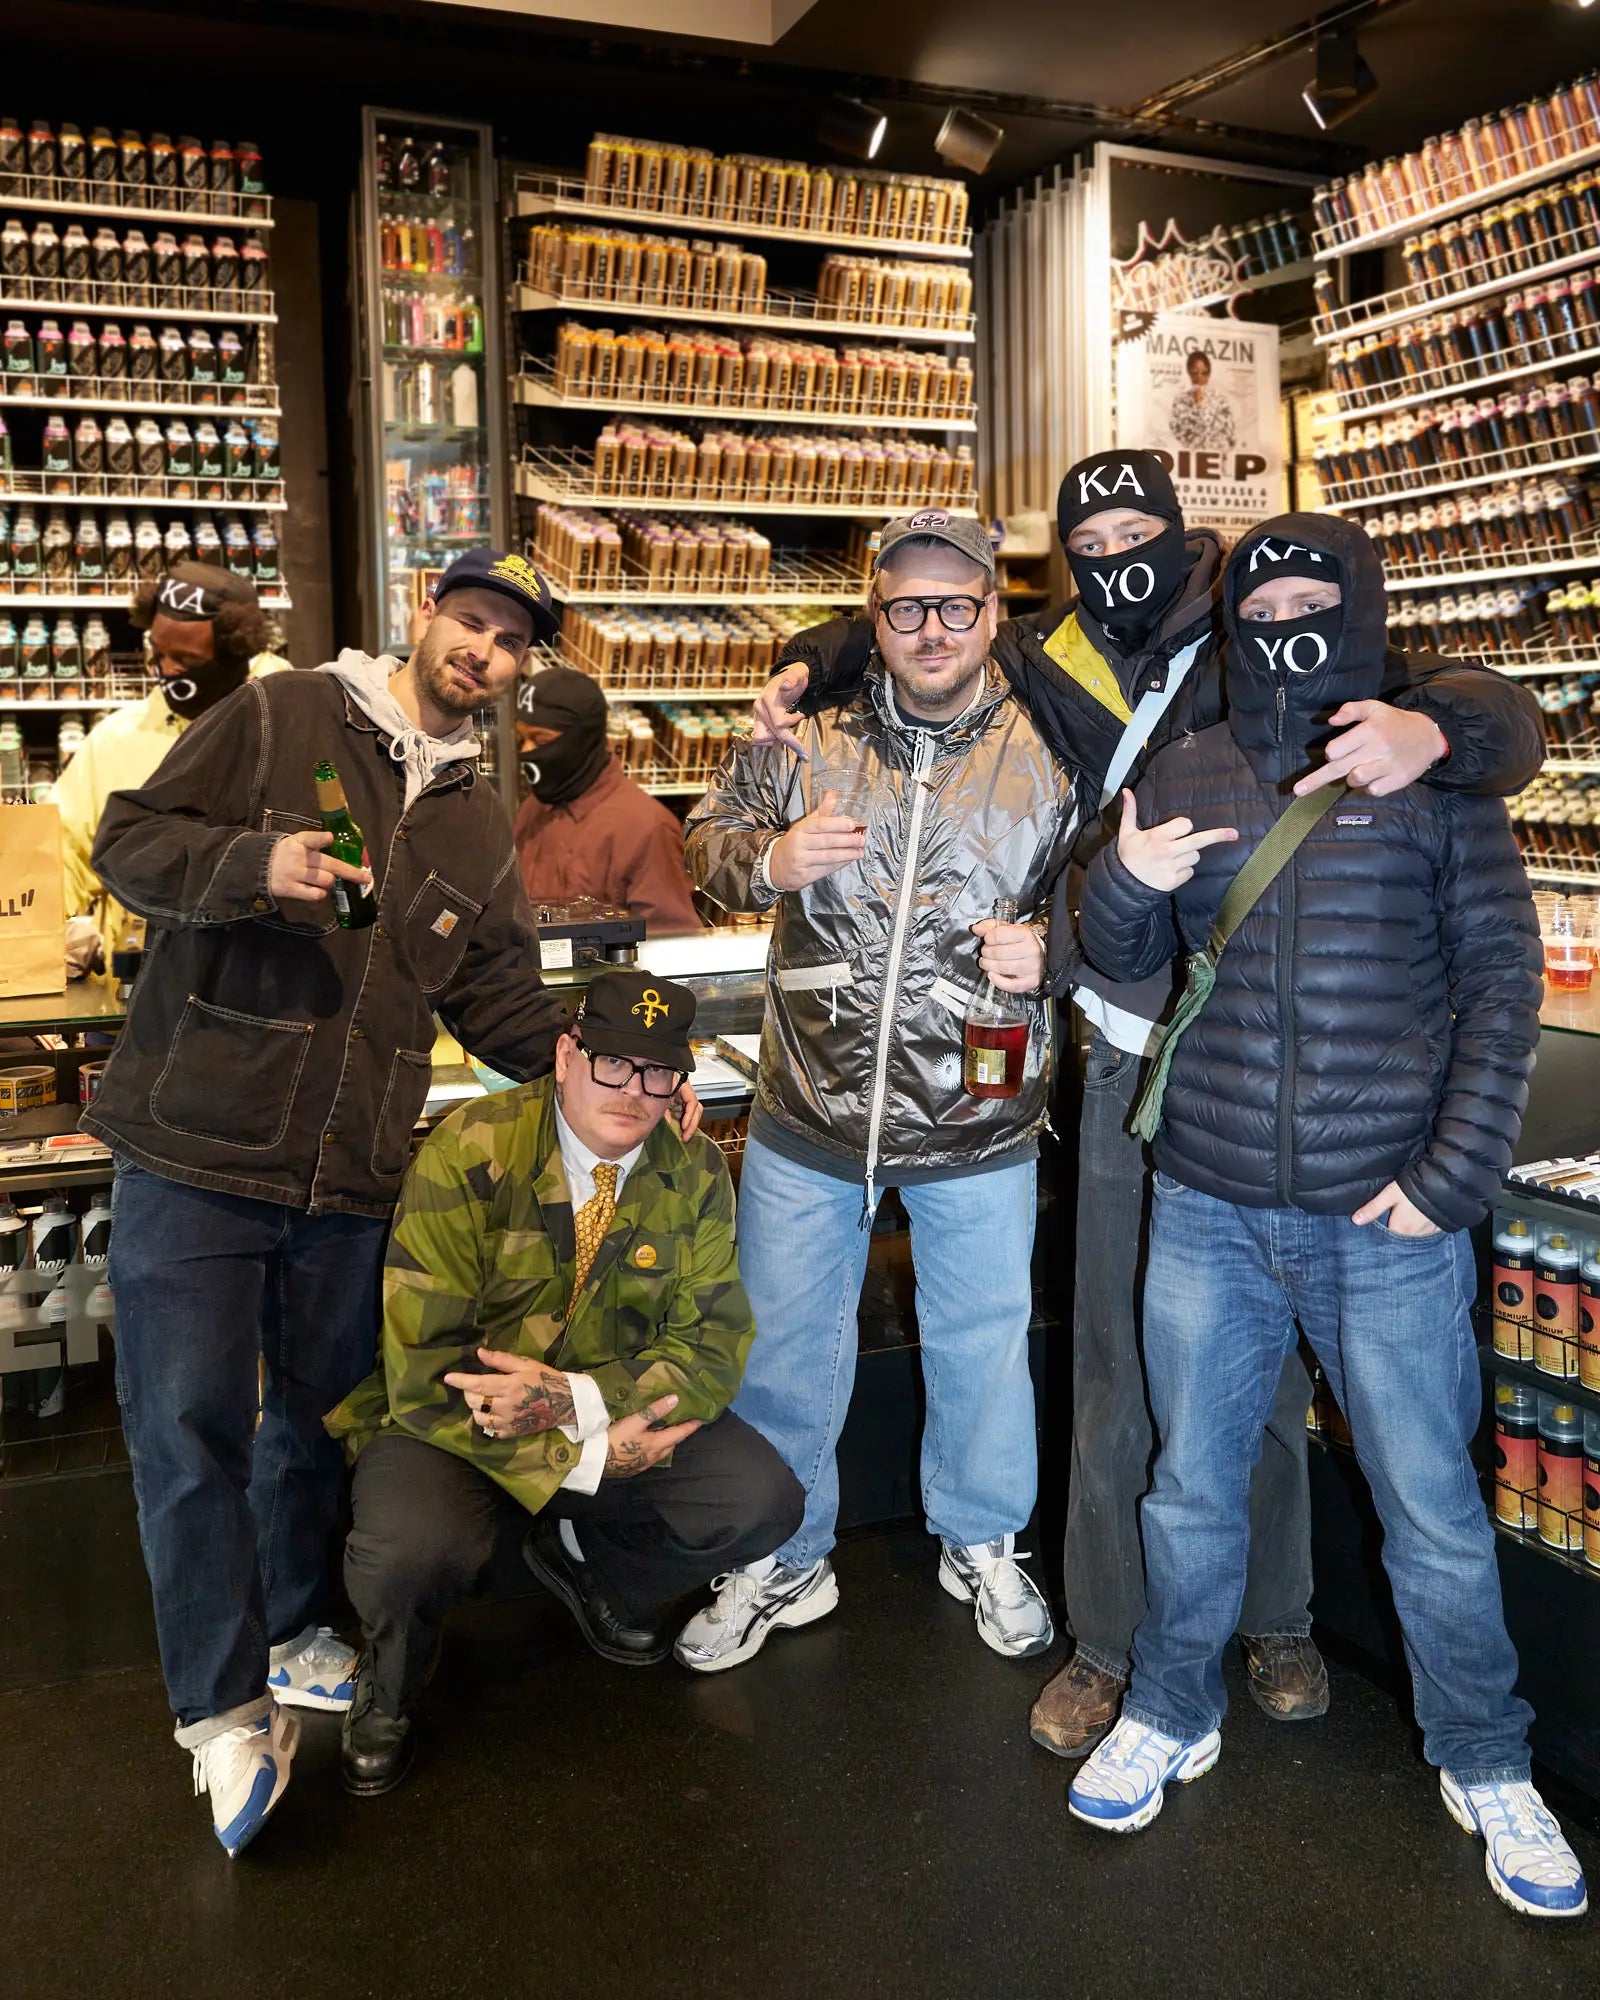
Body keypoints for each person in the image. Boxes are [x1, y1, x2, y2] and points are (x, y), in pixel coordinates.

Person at [748, 449, 1544, 1758]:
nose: (1116, 555)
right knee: (1122, 1359)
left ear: (1184, 537)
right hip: (1131, 1045)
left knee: (1268, 1377)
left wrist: (1442, 728)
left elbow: (1494, 712)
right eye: (1090, 538)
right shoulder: (1045, 653)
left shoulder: (1258, 621)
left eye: (1138, 530)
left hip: (1281, 1051)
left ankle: (1275, 1616)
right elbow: (920, 632)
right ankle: (1112, 1642)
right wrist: (806, 655)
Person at [85, 548, 701, 1859]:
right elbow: (128, 842)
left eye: (511, 641)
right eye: (470, 621)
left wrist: (617, 1070)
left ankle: (295, 1625)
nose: (485, 651)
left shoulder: (478, 815)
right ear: (425, 612)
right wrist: (254, 862)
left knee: (316, 1426)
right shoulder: (284, 712)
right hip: (195, 1148)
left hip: (352, 1174)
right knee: (187, 1429)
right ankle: (220, 1709)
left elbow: (496, 997)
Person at [1065, 513, 1587, 1922]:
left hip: (1385, 1216)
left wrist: (1454, 1176)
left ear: (1357, 606)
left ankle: (1486, 1757)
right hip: (1208, 1201)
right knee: (1188, 1487)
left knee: (1431, 1507)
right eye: (1263, 601)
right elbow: (1120, 956)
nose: (1286, 620)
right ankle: (1170, 1706)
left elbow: (1503, 985)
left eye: (1313, 597)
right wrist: (1122, 885)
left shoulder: (1427, 767)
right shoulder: (1186, 766)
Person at [678, 511, 1077, 1670]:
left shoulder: (1054, 743)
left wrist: (1055, 944)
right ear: (875, 616)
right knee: (782, 1346)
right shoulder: (806, 731)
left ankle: (982, 1536)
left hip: (978, 1110)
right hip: (811, 1104)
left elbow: (1117, 885)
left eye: (956, 604)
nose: (931, 628)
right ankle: (780, 1552)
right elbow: (707, 841)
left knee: (982, 1343)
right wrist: (770, 859)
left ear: (992, 613)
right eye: (907, 606)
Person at [328, 969, 801, 1795]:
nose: (635, 1093)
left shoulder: (690, 1169)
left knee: (760, 1499)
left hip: (601, 1409)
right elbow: (424, 1363)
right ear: (565, 1055)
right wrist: (582, 1461)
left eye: (659, 1073)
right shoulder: (471, 1147)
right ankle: (390, 1686)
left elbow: (713, 1346)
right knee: (411, 1548)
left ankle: (594, 1567)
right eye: (613, 1063)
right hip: (452, 1419)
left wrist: (579, 1405)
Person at [51, 564, 291, 964]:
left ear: (236, 653)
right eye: (159, 654)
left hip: (266, 976)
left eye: (186, 659)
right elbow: (61, 852)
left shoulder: (289, 725)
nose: (168, 670)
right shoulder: (115, 741)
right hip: (138, 983)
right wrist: (51, 928)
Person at [512, 664, 703, 934]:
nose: (527, 752)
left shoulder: (646, 829)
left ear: (582, 739)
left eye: (541, 741)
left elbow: (669, 940)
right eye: (521, 740)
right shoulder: (534, 807)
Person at [1167, 349, 1235, 452]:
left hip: (1216, 454)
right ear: (1189, 373)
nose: (1199, 377)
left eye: (1204, 373)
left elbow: (1230, 435)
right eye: (1195, 372)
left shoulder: (1221, 401)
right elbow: (1176, 432)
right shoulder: (1180, 401)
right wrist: (1197, 404)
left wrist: (1200, 404)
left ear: (1209, 374)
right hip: (1189, 455)